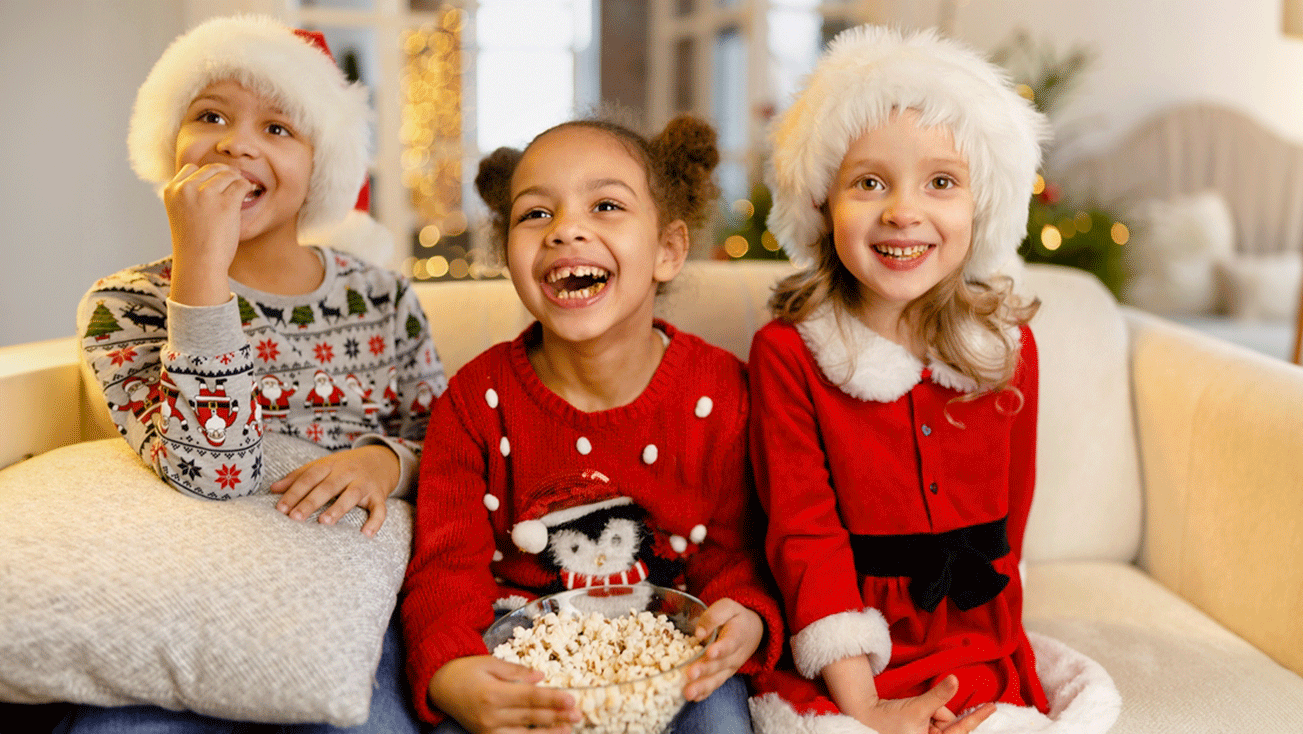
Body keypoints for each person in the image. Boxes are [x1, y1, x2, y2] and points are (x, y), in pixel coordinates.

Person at [66, 14, 445, 733]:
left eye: (278, 129)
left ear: (320, 169)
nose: (237, 143)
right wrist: (202, 270)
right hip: (192, 610)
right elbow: (213, 468)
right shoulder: (124, 306)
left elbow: (457, 450)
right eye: (211, 115)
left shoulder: (384, 297)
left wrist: (382, 461)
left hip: (353, 612)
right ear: (168, 145)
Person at [745, 26, 1116, 734]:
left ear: (981, 209)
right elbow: (804, 537)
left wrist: (991, 663)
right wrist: (866, 706)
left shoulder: (1008, 350)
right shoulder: (788, 355)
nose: (903, 211)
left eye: (941, 181)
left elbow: (1012, 514)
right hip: (847, 656)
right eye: (869, 182)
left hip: (979, 643)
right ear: (822, 203)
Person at [399, 114, 784, 734]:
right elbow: (444, 569)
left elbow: (739, 551)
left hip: (680, 662)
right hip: (525, 666)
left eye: (605, 205)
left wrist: (746, 614)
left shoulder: (722, 395)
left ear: (668, 250)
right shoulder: (474, 404)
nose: (566, 230)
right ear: (507, 254)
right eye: (535, 214)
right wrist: (451, 670)